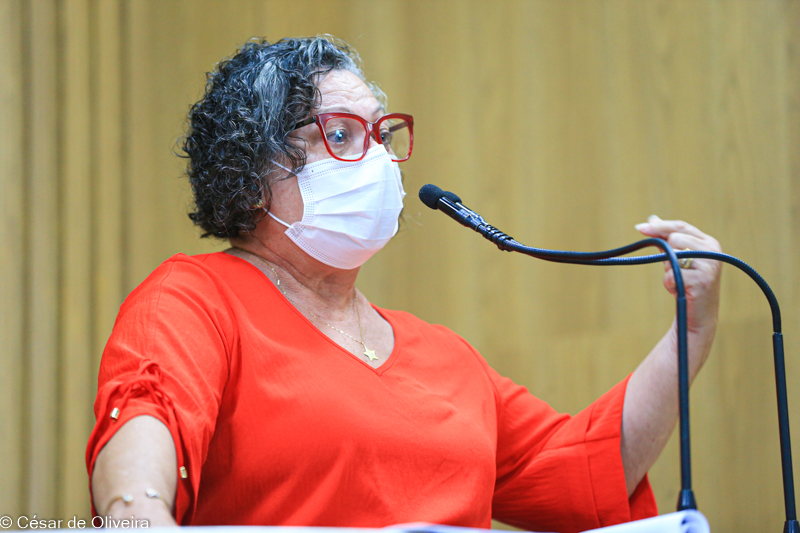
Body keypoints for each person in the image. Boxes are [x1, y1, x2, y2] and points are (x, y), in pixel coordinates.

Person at [86, 36, 723, 532]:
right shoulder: (194, 301)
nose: (376, 159)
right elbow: (136, 477)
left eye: (382, 134)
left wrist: (691, 330)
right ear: (251, 172)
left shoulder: (445, 355)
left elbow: (582, 474)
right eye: (341, 134)